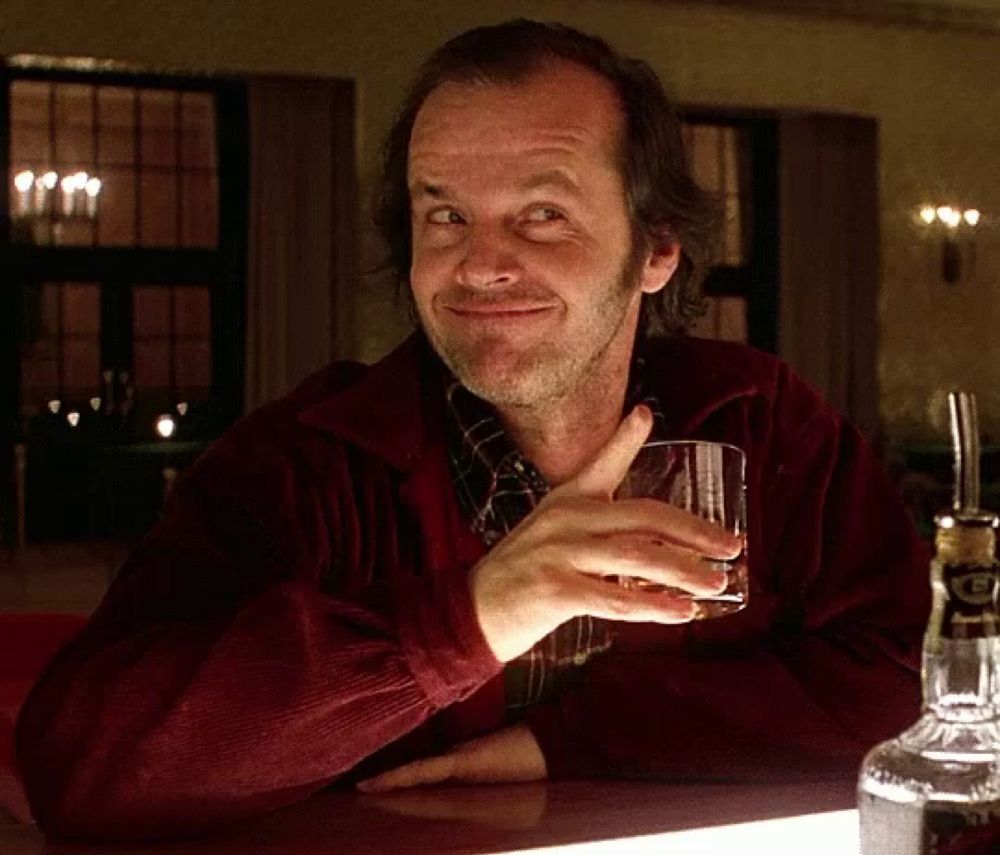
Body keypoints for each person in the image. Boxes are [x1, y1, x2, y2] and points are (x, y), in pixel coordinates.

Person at [16, 19, 929, 841]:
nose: (481, 262)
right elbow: (83, 768)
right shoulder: (304, 461)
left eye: (543, 213)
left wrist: (567, 740)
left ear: (656, 250)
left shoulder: (765, 427)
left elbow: (920, 698)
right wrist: (471, 617)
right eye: (444, 213)